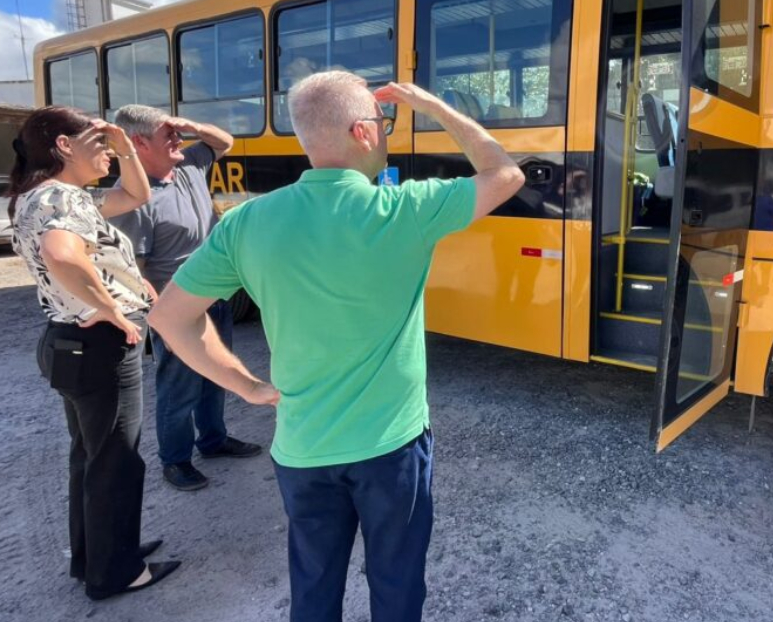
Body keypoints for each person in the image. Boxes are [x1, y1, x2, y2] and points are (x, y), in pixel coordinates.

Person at [148, 73, 525, 622]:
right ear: (363, 133)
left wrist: (245, 385)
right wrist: (433, 105)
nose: (389, 135)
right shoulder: (404, 210)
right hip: (391, 449)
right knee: (397, 586)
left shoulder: (249, 221)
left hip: (301, 449)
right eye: (385, 125)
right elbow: (504, 173)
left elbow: (169, 317)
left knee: (314, 588)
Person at [8, 106, 179, 601]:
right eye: (98, 141)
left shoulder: (48, 196)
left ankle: (95, 556)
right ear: (64, 146)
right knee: (116, 461)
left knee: (90, 457)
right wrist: (112, 309)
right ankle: (116, 572)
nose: (108, 148)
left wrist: (125, 148)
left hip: (70, 344)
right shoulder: (60, 197)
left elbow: (137, 194)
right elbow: (63, 256)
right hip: (98, 345)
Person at [111, 105, 262, 491]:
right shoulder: (134, 197)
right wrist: (161, 314)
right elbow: (135, 267)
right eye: (169, 135)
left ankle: (213, 440)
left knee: (216, 373)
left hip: (217, 293)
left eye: (178, 132)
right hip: (177, 302)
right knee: (179, 385)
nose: (180, 139)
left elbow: (224, 141)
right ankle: (175, 460)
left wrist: (192, 125)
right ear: (139, 144)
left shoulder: (191, 163)